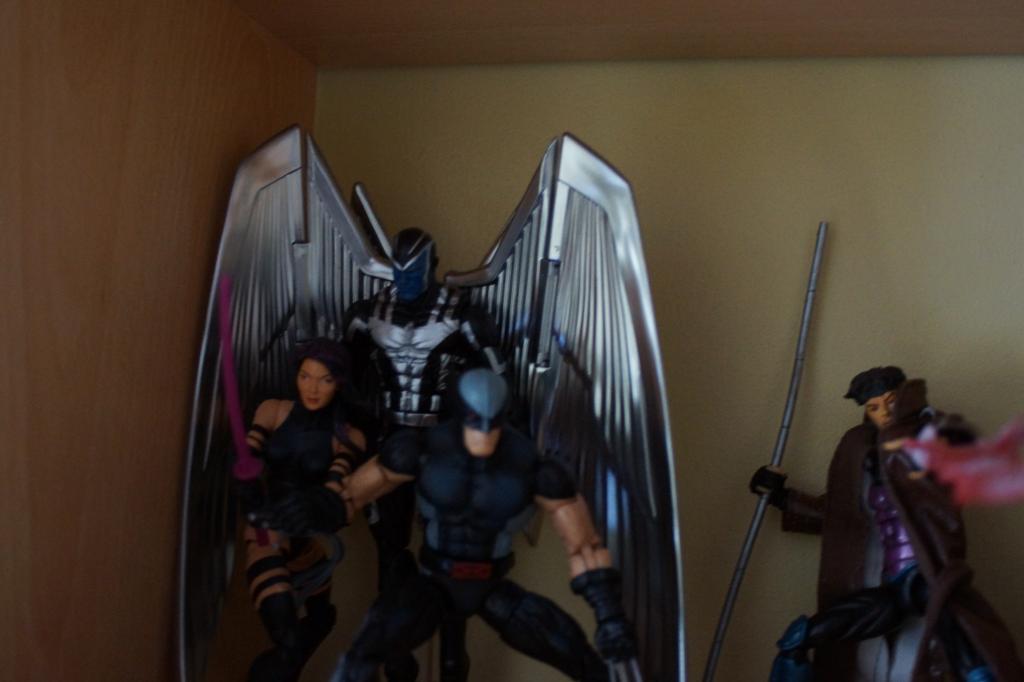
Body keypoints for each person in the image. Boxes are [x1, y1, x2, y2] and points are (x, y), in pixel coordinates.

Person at [254, 368, 635, 682]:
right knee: (360, 658)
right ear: (459, 415)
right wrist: (314, 508)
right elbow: (353, 495)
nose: (483, 434)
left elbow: (584, 546)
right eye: (474, 422)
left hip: (491, 584)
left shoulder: (533, 466)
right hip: (433, 581)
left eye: (492, 424)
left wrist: (609, 616)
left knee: (583, 659)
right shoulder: (421, 450)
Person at [751, 366, 1023, 681]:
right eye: (874, 407)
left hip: (927, 576)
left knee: (961, 636)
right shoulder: (862, 456)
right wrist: (782, 497)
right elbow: (839, 518)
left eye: (891, 402)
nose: (884, 412)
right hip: (891, 584)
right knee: (798, 638)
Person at [342, 227, 506, 680]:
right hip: (390, 441)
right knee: (390, 553)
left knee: (451, 559)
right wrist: (350, 435)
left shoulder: (464, 315)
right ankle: (395, 660)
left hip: (443, 445)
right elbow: (342, 377)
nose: (406, 279)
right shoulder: (366, 314)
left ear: (432, 264)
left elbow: (498, 383)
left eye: (414, 271)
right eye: (399, 271)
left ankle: (452, 661)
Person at [240, 338, 367, 682]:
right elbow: (249, 453)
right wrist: (244, 471)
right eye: (305, 376)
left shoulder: (348, 435)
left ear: (339, 383)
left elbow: (335, 484)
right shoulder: (274, 410)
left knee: (322, 618)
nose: (312, 388)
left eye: (325, 380)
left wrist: (321, 504)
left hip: (308, 537)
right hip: (269, 530)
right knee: (286, 637)